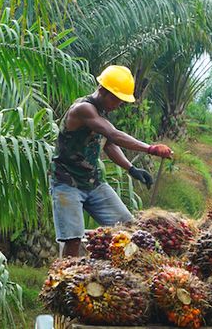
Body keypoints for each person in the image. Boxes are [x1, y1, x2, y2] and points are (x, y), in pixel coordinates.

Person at [50, 65, 173, 257]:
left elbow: (108, 144)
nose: (118, 105)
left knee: (128, 228)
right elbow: (113, 135)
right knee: (73, 240)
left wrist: (131, 169)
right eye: (116, 99)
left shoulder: (101, 113)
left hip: (93, 183)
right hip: (67, 183)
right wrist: (150, 149)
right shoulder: (84, 109)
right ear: (102, 91)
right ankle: (66, 278)